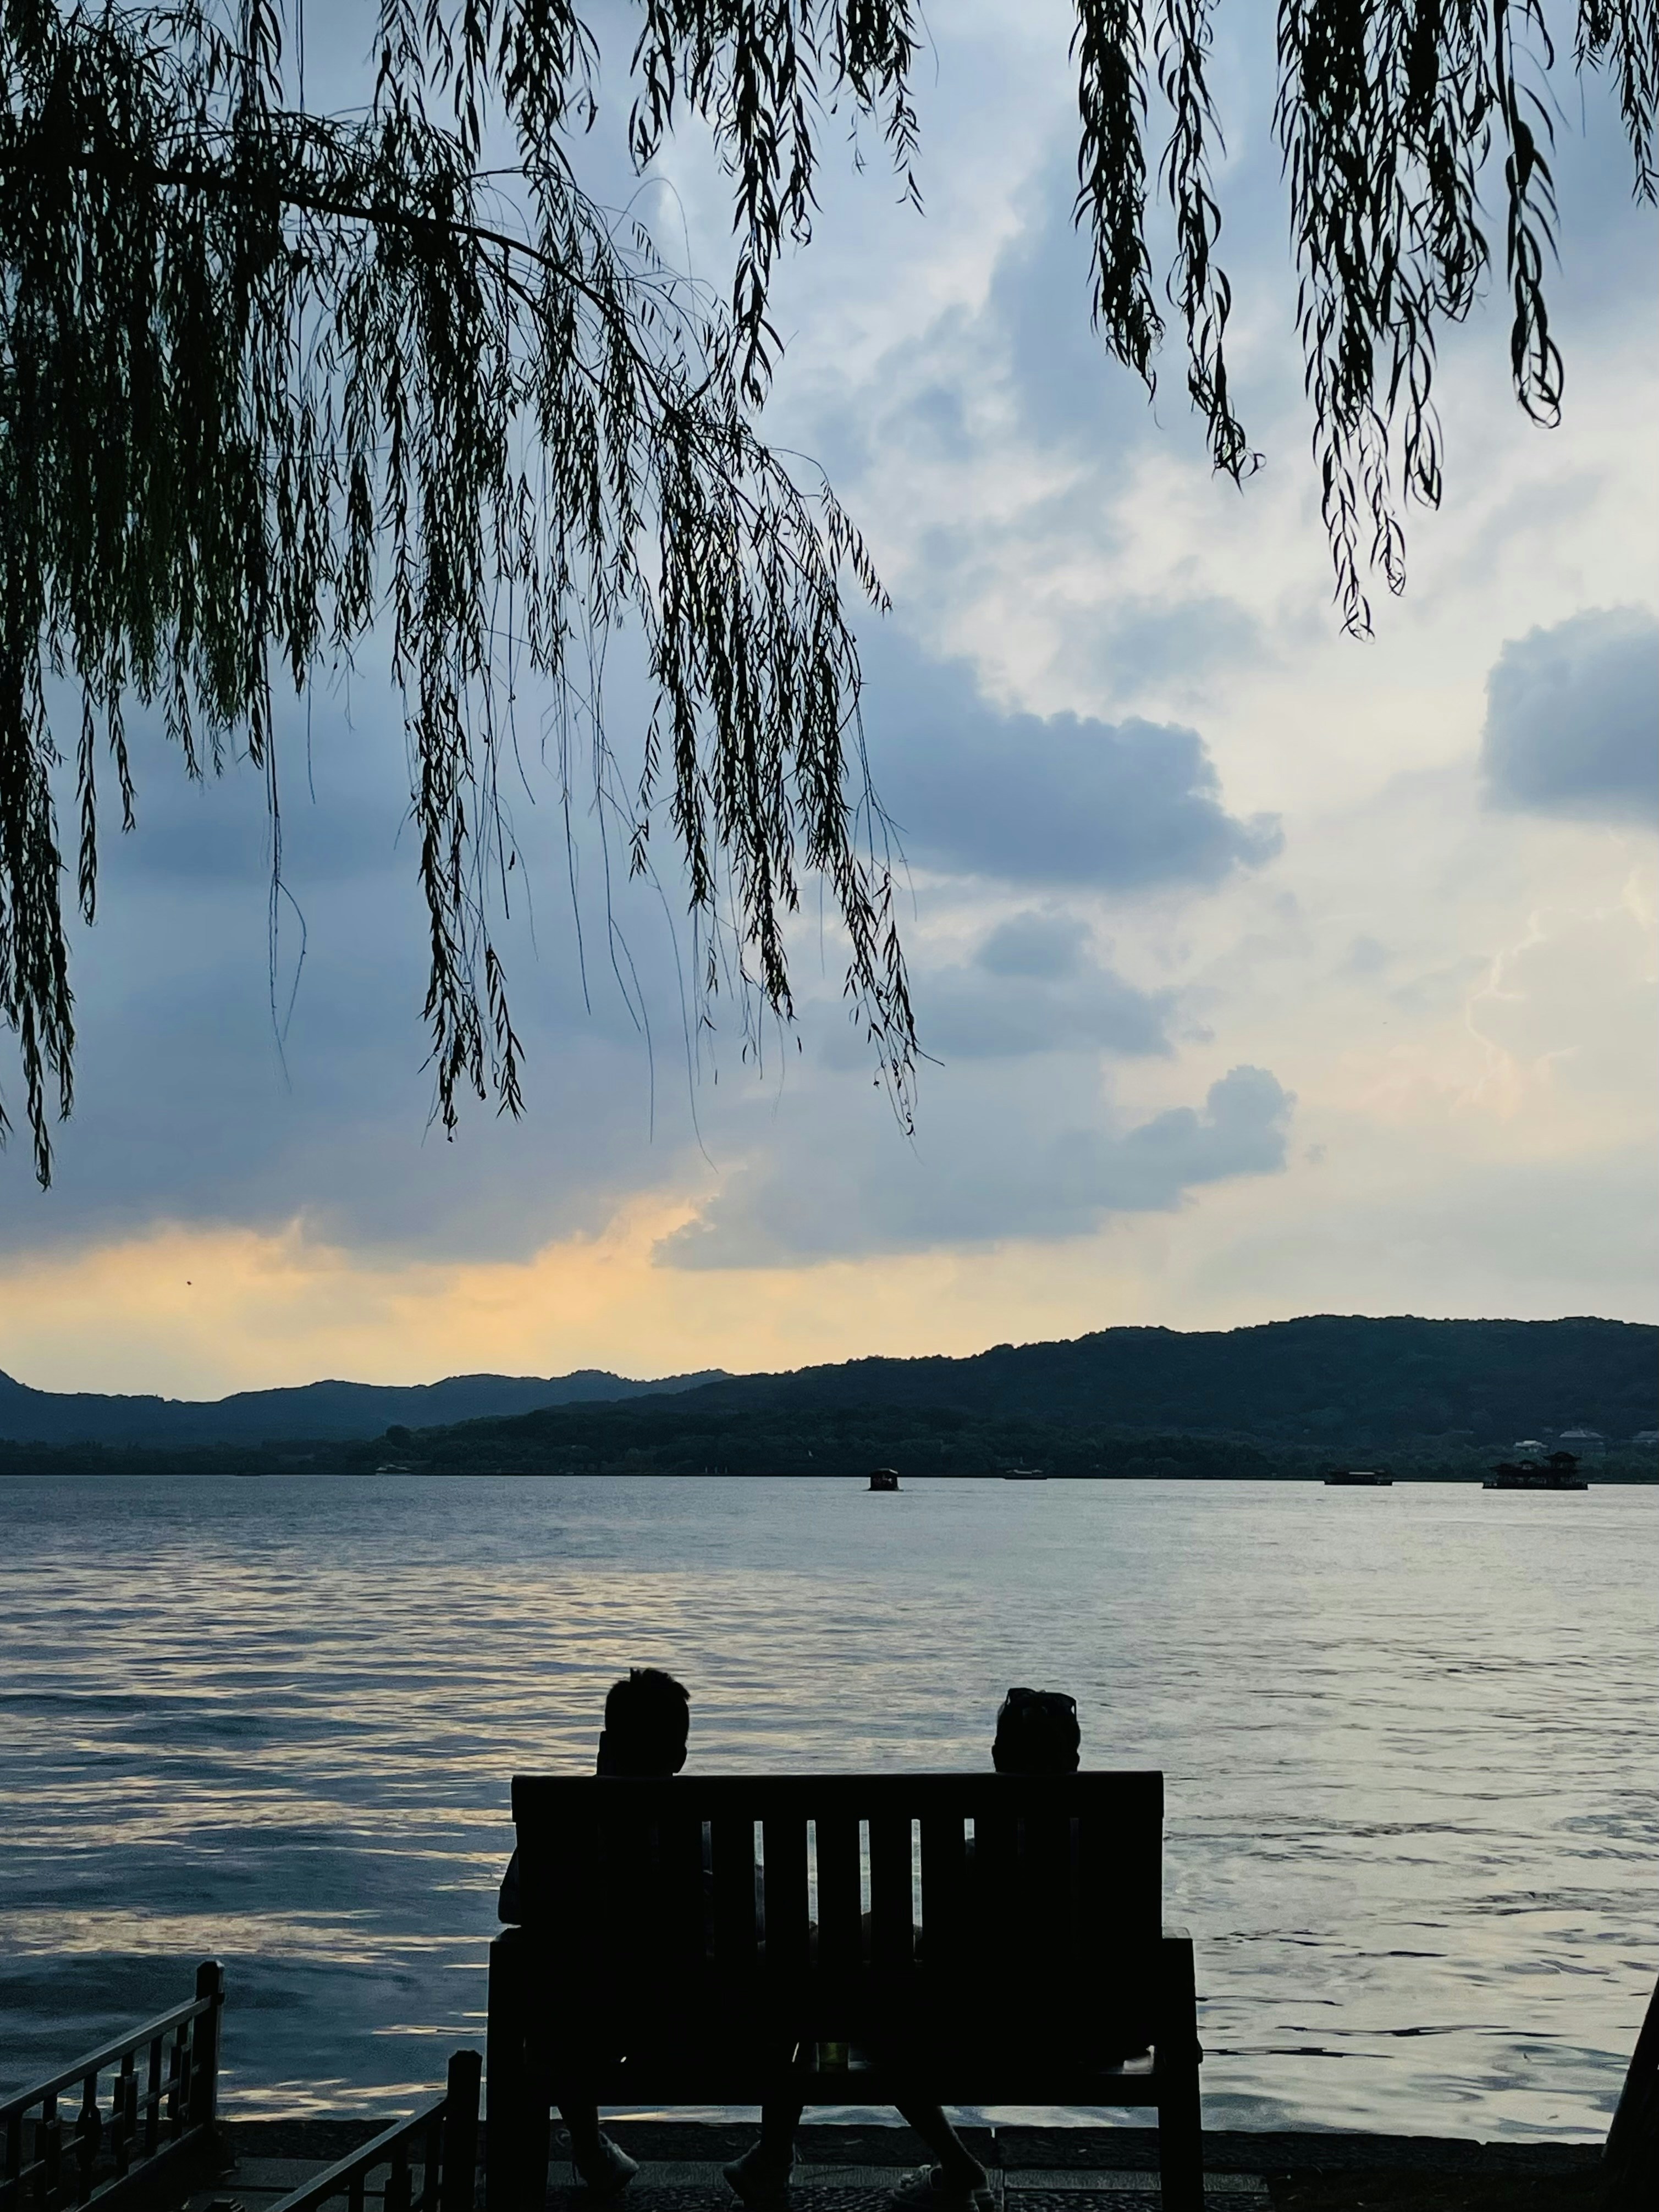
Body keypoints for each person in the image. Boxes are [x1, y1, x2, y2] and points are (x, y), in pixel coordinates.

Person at [721, 1687, 1082, 2212]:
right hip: (1080, 2028)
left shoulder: (977, 1856)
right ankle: (779, 2159)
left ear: (997, 1759)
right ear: (1074, 1761)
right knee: (868, 1946)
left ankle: (776, 2157)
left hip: (970, 2031)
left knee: (824, 1977)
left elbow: (939, 1961)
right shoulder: (1104, 1846)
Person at [498, 1665, 691, 2201]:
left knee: (542, 1975)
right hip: (700, 2026)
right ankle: (771, 2152)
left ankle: (589, 2149)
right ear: (679, 1755)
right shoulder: (696, 1826)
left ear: (605, 1743)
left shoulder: (559, 1820)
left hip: (584, 2027)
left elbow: (513, 1906)